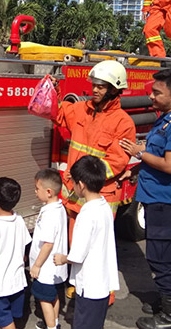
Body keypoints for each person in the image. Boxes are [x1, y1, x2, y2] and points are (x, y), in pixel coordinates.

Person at [51, 59, 136, 302]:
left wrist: (86, 178)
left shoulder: (123, 123)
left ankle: (103, 294)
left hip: (100, 196)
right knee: (75, 244)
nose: (95, 90)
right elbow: (58, 112)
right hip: (75, 193)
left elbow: (117, 162)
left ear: (114, 89)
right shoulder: (81, 109)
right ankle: (78, 285)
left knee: (98, 249)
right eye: (94, 85)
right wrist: (53, 89)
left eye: (101, 86)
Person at [119, 68, 171, 329]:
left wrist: (138, 153)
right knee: (160, 254)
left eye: (157, 92)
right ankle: (164, 299)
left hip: (164, 201)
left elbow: (169, 165)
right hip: (154, 197)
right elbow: (156, 155)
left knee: (160, 255)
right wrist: (135, 169)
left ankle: (168, 315)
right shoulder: (164, 121)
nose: (151, 96)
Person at [53, 155, 120, 329]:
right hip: (103, 284)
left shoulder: (86, 214)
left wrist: (62, 258)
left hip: (90, 286)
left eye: (74, 183)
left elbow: (77, 255)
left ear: (81, 185)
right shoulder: (104, 206)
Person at [0, 177, 32, 329]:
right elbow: (26, 245)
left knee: (3, 318)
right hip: (18, 282)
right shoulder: (19, 219)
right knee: (13, 316)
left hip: (0, 284)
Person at [29, 169, 68, 329]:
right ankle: (54, 322)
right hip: (56, 270)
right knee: (54, 297)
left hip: (46, 269)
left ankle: (51, 327)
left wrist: (37, 265)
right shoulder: (59, 208)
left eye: (37, 188)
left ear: (49, 192)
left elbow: (48, 243)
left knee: (44, 299)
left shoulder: (49, 215)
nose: (35, 191)